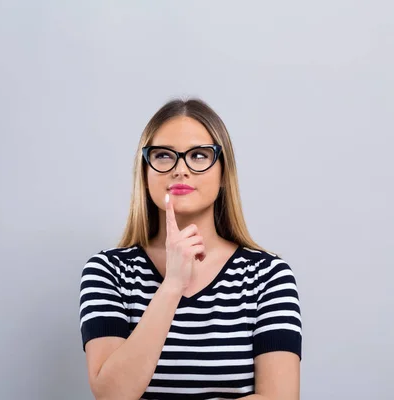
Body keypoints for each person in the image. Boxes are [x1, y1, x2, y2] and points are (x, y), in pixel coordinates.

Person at [78, 98, 302, 400]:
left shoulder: (268, 276)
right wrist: (171, 285)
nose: (180, 169)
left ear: (224, 173)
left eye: (198, 156)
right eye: (162, 156)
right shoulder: (108, 272)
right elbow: (112, 394)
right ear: (145, 175)